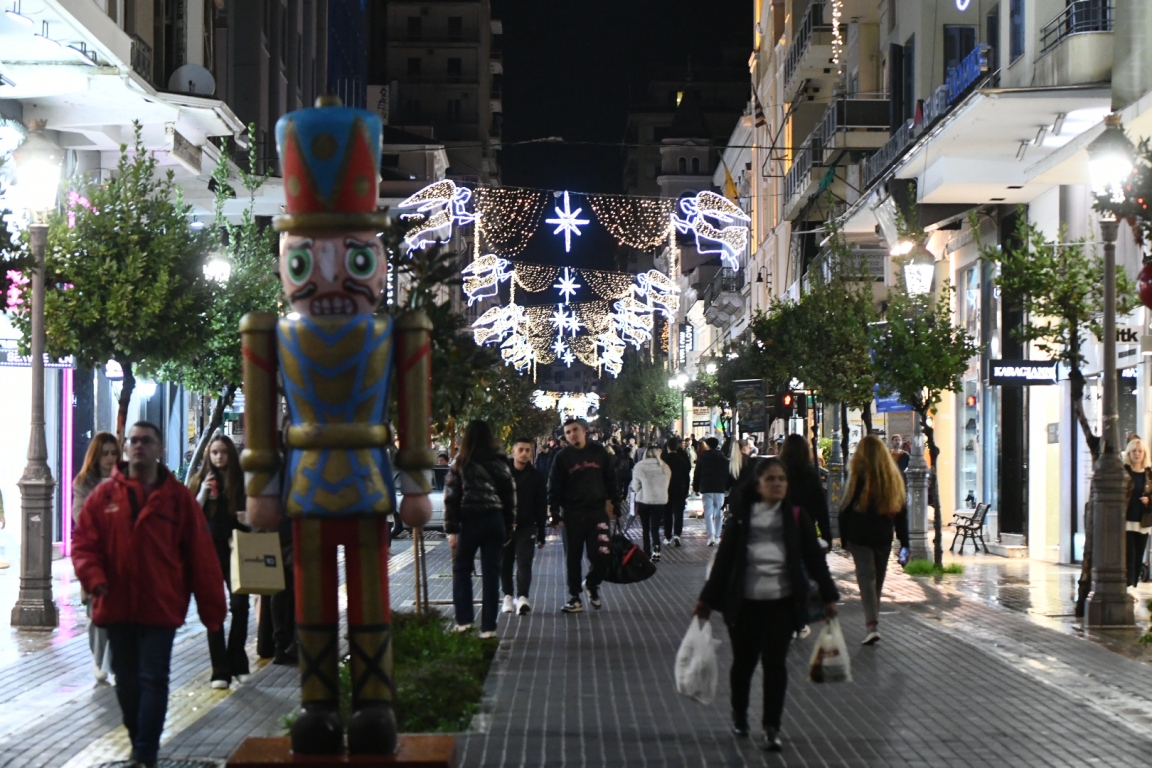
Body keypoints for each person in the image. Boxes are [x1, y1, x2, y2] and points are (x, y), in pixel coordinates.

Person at [72, 422, 226, 768]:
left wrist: (213, 612)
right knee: (126, 682)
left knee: (154, 679)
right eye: (133, 441)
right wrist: (94, 579)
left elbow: (201, 557)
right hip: (117, 605)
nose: (138, 445)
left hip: (161, 606)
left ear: (159, 449)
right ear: (126, 448)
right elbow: (84, 544)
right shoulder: (104, 497)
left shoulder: (178, 499)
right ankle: (138, 741)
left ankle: (145, 753)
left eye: (146, 440)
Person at [694, 458, 838, 752]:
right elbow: (723, 563)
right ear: (758, 485)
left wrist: (829, 596)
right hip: (744, 604)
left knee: (775, 664)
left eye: (781, 479)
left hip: (781, 603)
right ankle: (739, 715)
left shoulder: (796, 517)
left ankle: (772, 726)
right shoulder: (741, 518)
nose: (777, 484)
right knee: (744, 664)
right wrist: (706, 600)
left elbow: (814, 559)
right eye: (770, 479)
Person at [189, 435, 252, 689]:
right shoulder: (200, 480)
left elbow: (254, 517)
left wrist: (247, 518)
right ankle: (220, 670)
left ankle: (238, 660)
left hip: (238, 549)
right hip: (210, 551)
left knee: (240, 605)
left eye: (223, 452)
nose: (218, 457)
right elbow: (191, 515)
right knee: (214, 610)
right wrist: (204, 492)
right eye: (214, 452)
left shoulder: (242, 481)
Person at [444, 420, 515, 638]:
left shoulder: (460, 462)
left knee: (462, 568)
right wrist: (508, 526)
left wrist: (452, 529)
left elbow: (451, 497)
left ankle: (464, 621)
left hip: (470, 521)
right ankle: (488, 628)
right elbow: (510, 497)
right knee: (491, 573)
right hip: (494, 521)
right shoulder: (500, 462)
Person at [838, 435, 909, 646]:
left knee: (866, 578)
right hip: (883, 536)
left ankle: (872, 624)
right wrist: (904, 542)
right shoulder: (892, 477)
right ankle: (872, 623)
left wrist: (844, 539)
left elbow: (845, 509)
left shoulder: (856, 476)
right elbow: (901, 512)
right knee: (877, 579)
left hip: (859, 535)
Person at [548, 418, 620, 613]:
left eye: (575, 430)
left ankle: (591, 583)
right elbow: (554, 485)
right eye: (568, 432)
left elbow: (610, 478)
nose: (572, 434)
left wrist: (616, 501)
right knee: (572, 558)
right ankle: (574, 597)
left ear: (584, 431)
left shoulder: (599, 452)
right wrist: (554, 511)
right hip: (572, 514)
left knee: (602, 555)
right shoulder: (562, 457)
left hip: (597, 513)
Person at [72, 431, 122, 684]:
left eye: (113, 453)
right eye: (105, 454)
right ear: (96, 456)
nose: (110, 458)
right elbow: (79, 515)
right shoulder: (84, 482)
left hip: (122, 556)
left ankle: (115, 661)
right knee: (97, 612)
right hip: (96, 557)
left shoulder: (126, 481)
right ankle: (99, 659)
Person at [502, 437, 547, 616]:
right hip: (504, 526)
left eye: (528, 450)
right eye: (520, 450)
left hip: (527, 526)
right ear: (513, 451)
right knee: (505, 563)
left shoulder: (536, 477)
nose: (524, 454)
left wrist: (541, 532)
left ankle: (522, 597)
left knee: (524, 562)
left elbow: (541, 505)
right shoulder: (503, 475)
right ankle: (507, 596)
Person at [778, 434, 831, 550]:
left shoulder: (779, 473)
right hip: (806, 531)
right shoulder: (810, 475)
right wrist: (827, 537)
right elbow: (821, 508)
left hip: (781, 531)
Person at [630, 446, 671, 561]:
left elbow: (635, 486)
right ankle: (656, 546)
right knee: (655, 527)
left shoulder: (639, 466)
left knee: (645, 528)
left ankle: (647, 552)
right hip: (659, 501)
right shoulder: (664, 467)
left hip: (644, 500)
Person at [1123, 437, 1152, 588]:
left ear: (1145, 454)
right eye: (1134, 451)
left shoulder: (1149, 474)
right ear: (1129, 453)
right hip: (1127, 520)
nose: (1137, 454)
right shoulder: (1124, 472)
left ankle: (1133, 586)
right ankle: (1128, 586)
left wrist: (1149, 500)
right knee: (1130, 555)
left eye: (1140, 451)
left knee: (1139, 555)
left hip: (1143, 521)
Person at [694, 436, 728, 547]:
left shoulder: (703, 458)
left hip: (706, 488)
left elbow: (697, 474)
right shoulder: (723, 459)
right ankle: (717, 536)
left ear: (708, 445)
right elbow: (727, 474)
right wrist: (727, 487)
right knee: (719, 513)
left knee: (708, 514)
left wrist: (696, 488)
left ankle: (711, 536)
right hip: (719, 489)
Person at [663, 437, 691, 548]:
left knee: (667, 513)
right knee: (679, 513)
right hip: (679, 489)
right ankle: (677, 535)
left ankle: (667, 536)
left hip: (666, 490)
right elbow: (687, 476)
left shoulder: (664, 459)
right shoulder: (682, 459)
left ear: (668, 447)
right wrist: (686, 490)